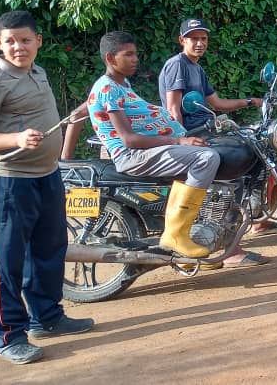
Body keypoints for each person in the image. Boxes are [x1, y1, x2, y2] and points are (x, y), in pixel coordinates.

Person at [0, 11, 94, 365]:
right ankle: (8, 335)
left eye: (25, 40)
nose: (18, 47)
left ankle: (47, 318)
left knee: (49, 249)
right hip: (9, 182)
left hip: (46, 175)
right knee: (5, 260)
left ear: (38, 41)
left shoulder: (38, 72)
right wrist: (16, 137)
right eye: (10, 41)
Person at [87, 31, 219, 259]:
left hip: (144, 151)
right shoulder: (108, 88)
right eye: (128, 55)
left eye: (135, 54)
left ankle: (197, 240)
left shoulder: (121, 84)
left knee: (209, 149)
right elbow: (128, 139)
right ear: (110, 58)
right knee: (206, 158)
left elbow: (81, 110)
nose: (135, 59)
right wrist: (178, 140)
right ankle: (176, 235)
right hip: (132, 155)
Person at [158, 18, 267, 267]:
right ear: (182, 40)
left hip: (205, 129)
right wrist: (182, 140)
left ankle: (239, 229)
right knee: (233, 170)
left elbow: (216, 104)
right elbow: (174, 110)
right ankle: (230, 248)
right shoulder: (177, 66)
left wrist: (251, 101)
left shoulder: (197, 69)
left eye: (203, 38)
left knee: (252, 151)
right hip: (191, 134)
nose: (199, 43)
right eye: (193, 38)